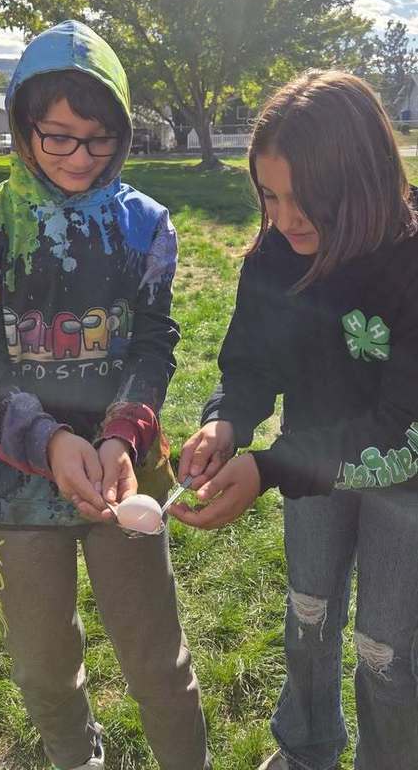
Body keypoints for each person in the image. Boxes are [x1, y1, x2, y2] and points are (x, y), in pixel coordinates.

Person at [0, 20, 210, 770]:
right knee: (43, 671)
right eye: (58, 137)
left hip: (126, 474)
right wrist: (49, 440)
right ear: (24, 123)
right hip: (14, 485)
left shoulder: (146, 225)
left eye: (98, 139)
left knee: (160, 663)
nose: (79, 157)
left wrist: (122, 434)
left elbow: (154, 342)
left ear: (121, 132)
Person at [171, 71, 418, 770]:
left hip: (405, 485)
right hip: (309, 470)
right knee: (307, 614)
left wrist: (268, 469)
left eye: (306, 197)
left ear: (363, 176)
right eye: (268, 195)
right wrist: (226, 424)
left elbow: (401, 429)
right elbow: (250, 363)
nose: (284, 218)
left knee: (386, 652)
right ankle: (305, 749)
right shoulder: (273, 255)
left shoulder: (410, 261)